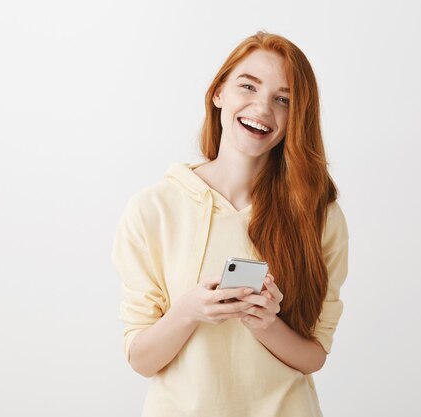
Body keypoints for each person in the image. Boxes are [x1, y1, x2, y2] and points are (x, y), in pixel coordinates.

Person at [111, 31, 349, 417]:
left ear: (296, 117)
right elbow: (141, 359)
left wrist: (266, 323)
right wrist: (188, 311)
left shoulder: (318, 216)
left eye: (283, 99)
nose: (262, 107)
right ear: (219, 92)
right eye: (248, 86)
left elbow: (313, 356)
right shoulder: (152, 209)